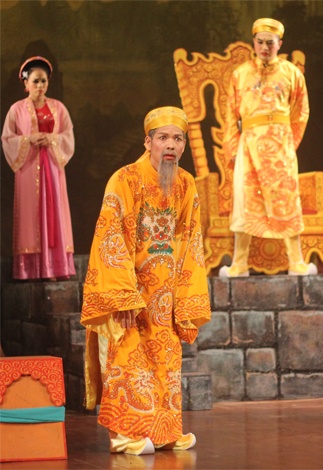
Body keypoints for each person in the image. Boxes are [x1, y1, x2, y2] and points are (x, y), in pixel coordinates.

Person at [80, 106, 211, 455]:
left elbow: (190, 240)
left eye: (177, 138)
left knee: (165, 359)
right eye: (163, 137)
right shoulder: (125, 179)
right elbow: (110, 238)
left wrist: (185, 297)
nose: (171, 145)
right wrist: (122, 296)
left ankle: (165, 431)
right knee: (128, 358)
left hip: (164, 294)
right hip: (131, 290)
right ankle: (124, 436)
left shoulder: (186, 184)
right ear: (148, 142)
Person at [219, 17, 316, 277]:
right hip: (249, 144)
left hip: (280, 146)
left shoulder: (292, 73)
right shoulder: (240, 74)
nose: (264, 47)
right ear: (254, 42)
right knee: (245, 198)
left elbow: (301, 112)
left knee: (286, 198)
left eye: (270, 43)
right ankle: (239, 264)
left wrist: (289, 143)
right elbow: (230, 114)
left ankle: (296, 262)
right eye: (260, 42)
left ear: (279, 44)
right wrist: (233, 148)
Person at [1, 56, 76, 280]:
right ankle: (30, 269)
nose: (40, 85)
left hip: (52, 167)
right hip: (28, 166)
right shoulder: (16, 109)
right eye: (35, 81)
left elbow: (68, 135)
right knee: (30, 215)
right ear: (26, 83)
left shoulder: (58, 108)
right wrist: (28, 139)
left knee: (54, 213)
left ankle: (56, 268)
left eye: (44, 81)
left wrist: (52, 139)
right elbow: (7, 138)